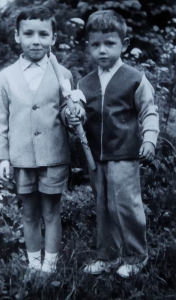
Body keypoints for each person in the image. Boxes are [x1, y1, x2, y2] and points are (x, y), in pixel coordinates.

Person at [0, 6, 84, 274]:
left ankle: (50, 267)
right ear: (17, 36)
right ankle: (34, 266)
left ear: (53, 38)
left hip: (53, 156)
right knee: (29, 213)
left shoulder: (63, 74)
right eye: (29, 33)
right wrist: (2, 157)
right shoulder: (5, 78)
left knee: (51, 212)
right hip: (21, 157)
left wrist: (74, 116)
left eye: (44, 34)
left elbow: (68, 112)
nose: (36, 40)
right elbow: (0, 121)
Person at [71, 10, 159, 278]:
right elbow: (76, 115)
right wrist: (72, 115)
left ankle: (136, 255)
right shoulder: (84, 83)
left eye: (109, 43)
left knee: (125, 205)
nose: (102, 50)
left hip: (125, 153)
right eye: (95, 44)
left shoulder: (134, 78)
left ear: (125, 43)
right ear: (88, 46)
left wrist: (150, 139)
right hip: (95, 157)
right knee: (103, 207)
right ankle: (108, 256)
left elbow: (149, 111)